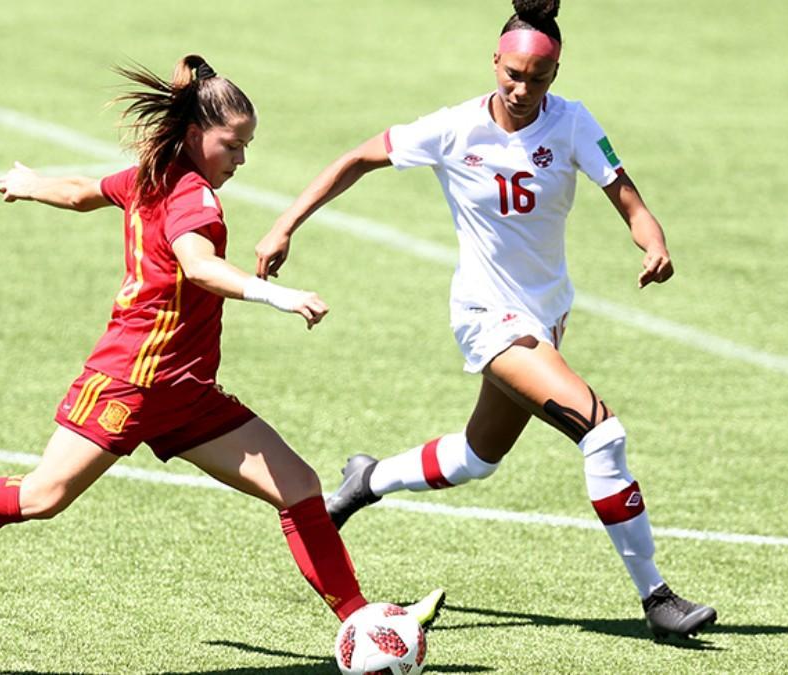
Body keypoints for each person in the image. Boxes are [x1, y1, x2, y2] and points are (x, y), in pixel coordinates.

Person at [0, 55, 444, 632]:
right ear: (196, 134)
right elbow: (199, 266)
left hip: (185, 393)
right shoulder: (192, 196)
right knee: (42, 496)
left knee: (299, 487)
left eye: (246, 147)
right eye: (232, 145)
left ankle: (364, 622)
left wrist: (31, 182)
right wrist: (277, 297)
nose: (240, 159)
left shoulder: (153, 175)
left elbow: (79, 192)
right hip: (130, 380)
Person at [254, 1, 716, 639]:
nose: (523, 90)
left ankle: (367, 480)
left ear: (556, 73)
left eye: (539, 78)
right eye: (513, 75)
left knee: (478, 456)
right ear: (494, 62)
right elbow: (355, 160)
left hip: (547, 314)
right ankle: (657, 598)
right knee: (602, 435)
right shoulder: (453, 129)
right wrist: (284, 226)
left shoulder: (574, 124)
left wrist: (653, 242)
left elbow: (630, 200)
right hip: (486, 317)